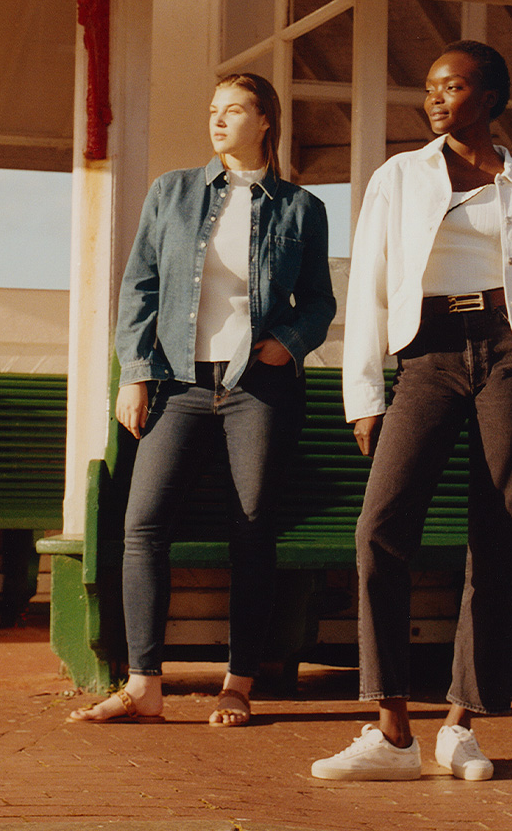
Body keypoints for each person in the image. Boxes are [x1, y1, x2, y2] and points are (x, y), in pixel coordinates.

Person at [311, 40, 512, 781]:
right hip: (426, 351)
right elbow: (368, 283)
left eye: (452, 86)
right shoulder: (399, 176)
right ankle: (391, 726)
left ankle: (463, 723)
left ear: (489, 97)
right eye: (429, 88)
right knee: (381, 528)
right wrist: (364, 393)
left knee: (498, 537)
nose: (434, 99)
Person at [69, 73, 336, 726]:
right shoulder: (173, 193)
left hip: (258, 388)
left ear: (265, 120)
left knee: (252, 533)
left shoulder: (301, 208)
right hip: (181, 384)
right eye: (213, 109)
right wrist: (135, 374)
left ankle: (238, 685)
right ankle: (143, 684)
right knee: (142, 525)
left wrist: (289, 341)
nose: (218, 121)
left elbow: (321, 301)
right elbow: (140, 289)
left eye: (234, 110)